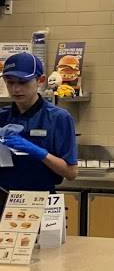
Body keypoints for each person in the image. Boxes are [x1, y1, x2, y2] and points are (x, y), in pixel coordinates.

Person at [0, 52, 78, 192]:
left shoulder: (58, 118)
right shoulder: (2, 117)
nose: (16, 89)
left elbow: (71, 173)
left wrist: (40, 153)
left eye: (23, 82)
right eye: (10, 82)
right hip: (5, 198)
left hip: (41, 198)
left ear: (40, 80)